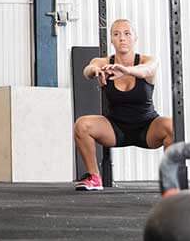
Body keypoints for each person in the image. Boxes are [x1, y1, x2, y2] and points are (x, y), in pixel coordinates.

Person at [74, 19, 175, 191]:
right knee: (82, 124)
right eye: (116, 34)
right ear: (112, 40)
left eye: (127, 34)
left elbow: (148, 70)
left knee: (171, 125)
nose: (122, 38)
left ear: (135, 38)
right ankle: (94, 177)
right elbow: (88, 69)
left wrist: (126, 70)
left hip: (147, 127)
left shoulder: (147, 60)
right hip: (115, 129)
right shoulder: (103, 62)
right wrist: (95, 71)